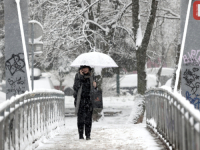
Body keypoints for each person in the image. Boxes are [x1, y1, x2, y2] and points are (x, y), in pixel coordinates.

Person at [73, 65, 97, 140]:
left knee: (88, 119)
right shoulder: (77, 76)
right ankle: (80, 135)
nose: (85, 69)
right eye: (83, 68)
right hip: (80, 101)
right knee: (80, 119)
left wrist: (95, 86)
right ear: (81, 69)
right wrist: (80, 77)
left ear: (89, 69)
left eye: (86, 68)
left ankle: (88, 135)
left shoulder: (92, 76)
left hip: (89, 100)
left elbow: (95, 90)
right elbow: (75, 87)